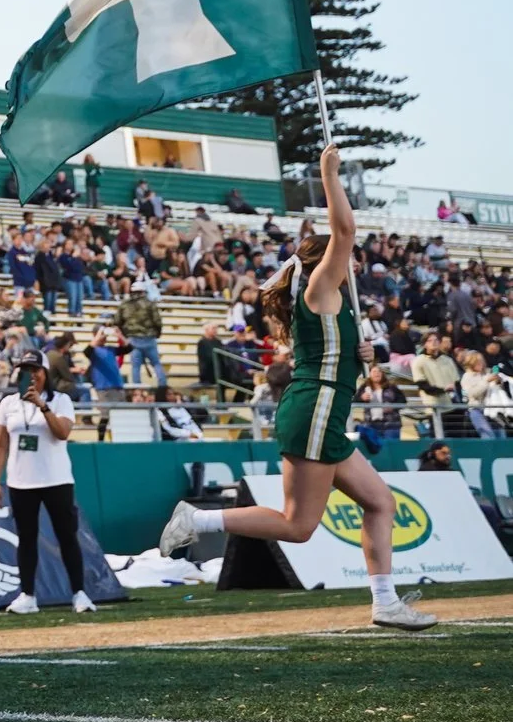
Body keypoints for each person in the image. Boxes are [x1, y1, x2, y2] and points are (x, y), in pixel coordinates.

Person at [162, 147, 435, 631]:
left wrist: (361, 356)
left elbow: (329, 351)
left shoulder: (330, 301)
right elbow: (346, 232)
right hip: (313, 410)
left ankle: (384, 602)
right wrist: (330, 176)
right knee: (297, 526)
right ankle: (198, 519)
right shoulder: (318, 288)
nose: (348, 259)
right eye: (339, 255)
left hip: (324, 412)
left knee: (380, 503)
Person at [0, 359, 95, 616]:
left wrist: (42, 406)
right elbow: (1, 444)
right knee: (26, 538)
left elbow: (62, 433)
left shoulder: (60, 400)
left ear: (45, 372)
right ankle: (27, 595)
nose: (31, 375)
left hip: (56, 479)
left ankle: (79, 593)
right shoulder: (9, 403)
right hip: (20, 480)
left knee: (67, 536)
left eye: (35, 370)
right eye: (26, 371)